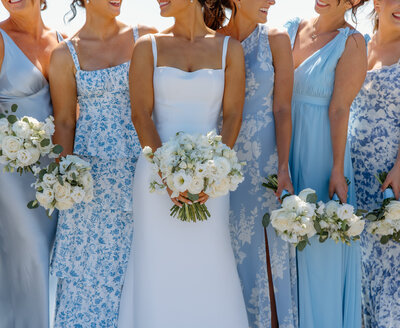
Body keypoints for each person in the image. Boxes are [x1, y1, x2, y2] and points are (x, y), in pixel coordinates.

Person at [121, 0, 248, 327]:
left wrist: (213, 172)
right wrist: (167, 174)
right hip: (155, 178)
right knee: (158, 265)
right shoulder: (146, 47)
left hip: (212, 180)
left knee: (211, 261)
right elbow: (141, 116)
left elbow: (233, 116)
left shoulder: (229, 50)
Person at [49, 0, 156, 326]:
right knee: (88, 278)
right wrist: (62, 184)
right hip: (90, 187)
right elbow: (65, 123)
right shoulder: (64, 54)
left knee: (140, 273)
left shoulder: (147, 38)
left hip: (141, 174)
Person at [285, 0, 368, 327]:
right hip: (285, 143)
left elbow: (339, 109)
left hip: (323, 153)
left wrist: (337, 169)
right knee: (287, 244)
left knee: (320, 247)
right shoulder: (291, 27)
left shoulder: (352, 42)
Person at [218, 0, 296, 327]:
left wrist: (283, 166)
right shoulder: (214, 40)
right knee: (229, 260)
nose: (272, 2)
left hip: (266, 166)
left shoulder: (276, 38)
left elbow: (282, 109)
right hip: (224, 168)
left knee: (269, 261)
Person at [0, 1, 65, 327]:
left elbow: (70, 115)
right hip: (8, 174)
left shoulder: (64, 41)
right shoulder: (0, 39)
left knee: (50, 257)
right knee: (33, 252)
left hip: (51, 175)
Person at [349, 0, 400, 326]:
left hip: (390, 180)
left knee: (389, 269)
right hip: (353, 176)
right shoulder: (358, 45)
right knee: (360, 270)